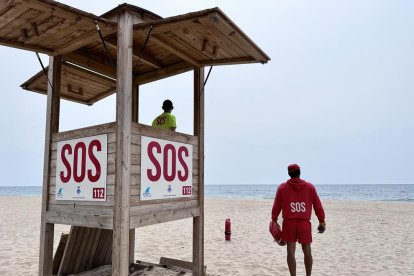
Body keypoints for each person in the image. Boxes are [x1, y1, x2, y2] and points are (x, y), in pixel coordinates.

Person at [271, 164, 326, 276]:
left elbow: (276, 206)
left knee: (290, 251)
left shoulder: (282, 187)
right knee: (307, 250)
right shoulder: (310, 187)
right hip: (304, 223)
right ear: (299, 172)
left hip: (289, 223)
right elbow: (317, 205)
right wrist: (321, 221)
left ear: (289, 174)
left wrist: (274, 219)